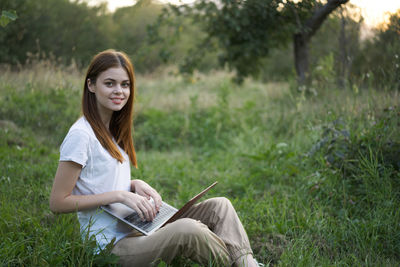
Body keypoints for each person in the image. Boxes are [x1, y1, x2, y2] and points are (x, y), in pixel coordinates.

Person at [49, 49, 260, 267]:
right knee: (188, 230)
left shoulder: (113, 130)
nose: (119, 91)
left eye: (125, 84)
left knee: (220, 206)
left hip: (137, 227)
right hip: (112, 246)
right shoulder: (81, 135)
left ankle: (248, 264)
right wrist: (119, 195)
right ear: (91, 85)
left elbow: (96, 181)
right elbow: (57, 202)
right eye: (109, 83)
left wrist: (133, 185)